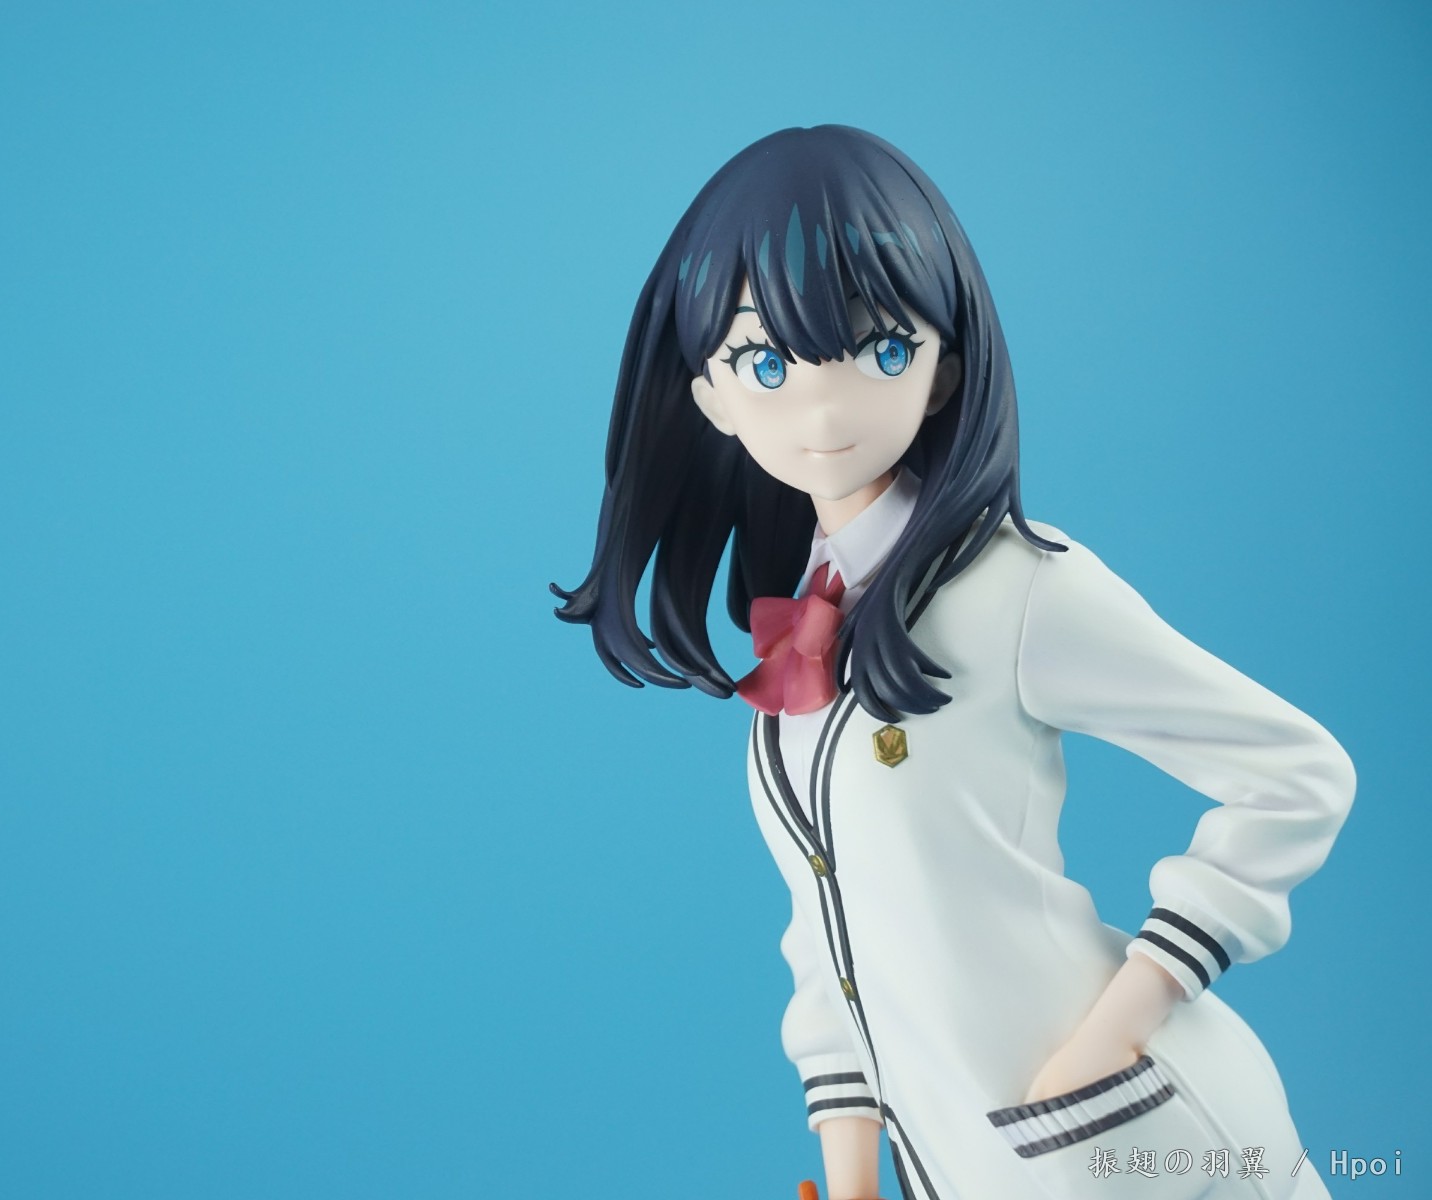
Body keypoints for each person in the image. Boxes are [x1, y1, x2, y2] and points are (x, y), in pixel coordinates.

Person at [552, 125, 1355, 1200]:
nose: (825, 408)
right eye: (766, 364)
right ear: (711, 399)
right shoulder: (798, 645)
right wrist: (848, 1176)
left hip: (1141, 1145)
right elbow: (829, 936)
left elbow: (1298, 774)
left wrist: (1118, 1026)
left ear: (944, 371)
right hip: (970, 1161)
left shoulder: (1017, 586)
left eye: (882, 349)